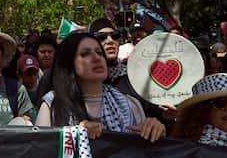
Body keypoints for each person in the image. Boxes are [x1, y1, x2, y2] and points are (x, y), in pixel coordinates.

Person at [35, 32, 166, 142]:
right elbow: (40, 154)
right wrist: (74, 136)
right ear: (69, 64)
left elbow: (144, 156)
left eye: (99, 52)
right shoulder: (52, 106)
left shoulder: (131, 105)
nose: (97, 58)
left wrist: (155, 132)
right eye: (85, 54)